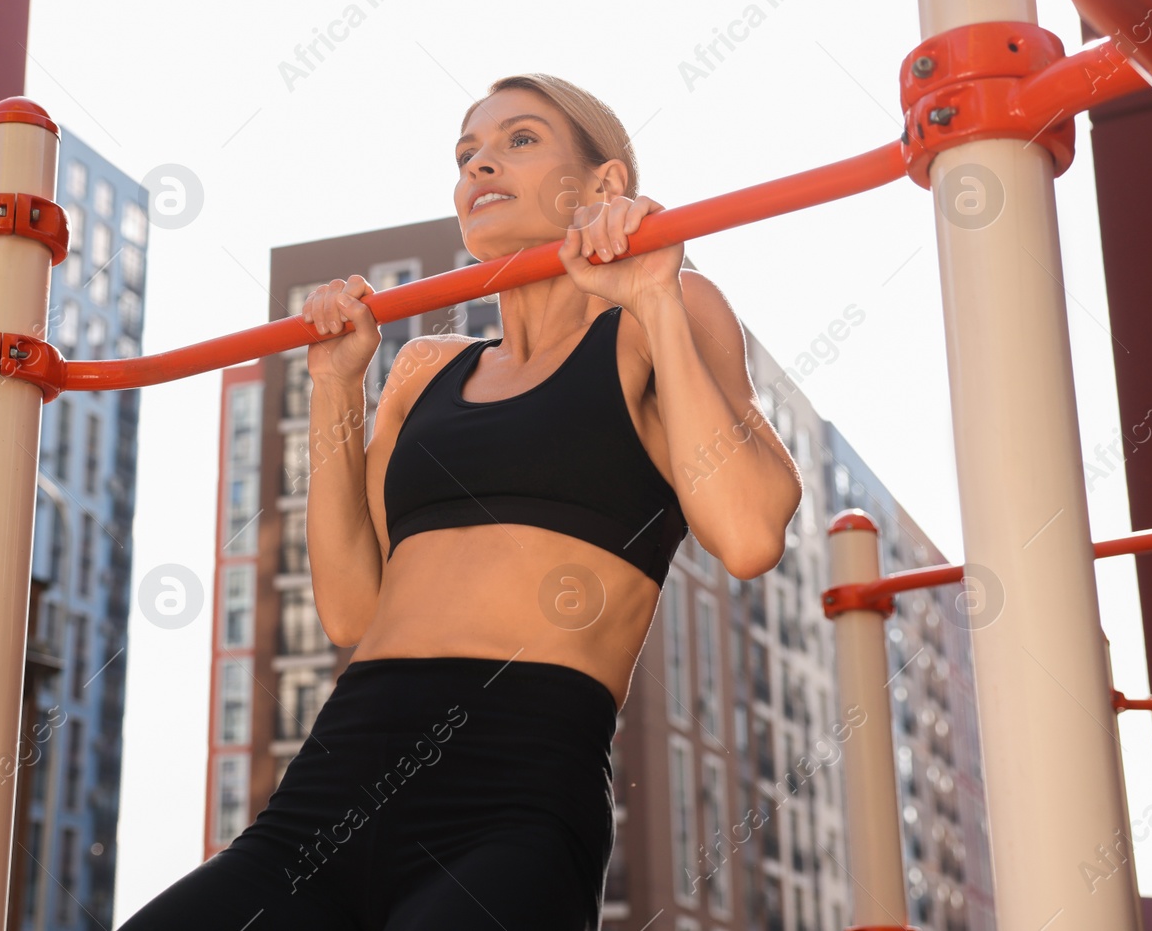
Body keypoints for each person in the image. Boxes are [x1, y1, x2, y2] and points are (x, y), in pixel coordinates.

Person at [119, 73, 803, 930]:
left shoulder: (657, 316)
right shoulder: (423, 369)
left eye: (519, 139)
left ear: (605, 186)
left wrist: (656, 293)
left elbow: (748, 534)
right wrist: (337, 386)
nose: (481, 163)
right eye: (466, 153)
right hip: (336, 775)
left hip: (515, 791)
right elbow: (351, 610)